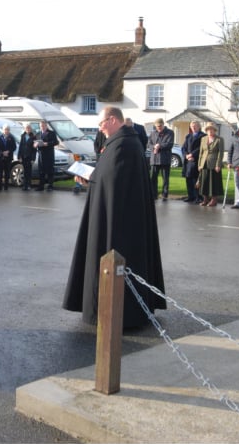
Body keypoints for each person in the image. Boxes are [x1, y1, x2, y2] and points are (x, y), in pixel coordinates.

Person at [63, 106, 166, 328]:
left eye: (100, 124)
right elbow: (107, 176)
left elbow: (112, 182)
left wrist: (93, 179)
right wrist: (92, 178)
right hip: (120, 215)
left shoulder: (124, 145)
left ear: (111, 120)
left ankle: (116, 310)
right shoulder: (121, 143)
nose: (100, 129)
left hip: (120, 224)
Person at [196, 122, 224, 206]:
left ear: (214, 130)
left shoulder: (219, 139)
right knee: (204, 181)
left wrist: (218, 164)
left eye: (212, 129)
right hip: (204, 163)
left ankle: (214, 200)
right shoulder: (203, 139)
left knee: (213, 182)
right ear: (206, 131)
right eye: (208, 129)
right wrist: (199, 164)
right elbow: (201, 152)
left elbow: (220, 153)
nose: (210, 131)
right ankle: (205, 199)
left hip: (214, 164)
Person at [147, 117, 174, 201]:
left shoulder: (170, 132)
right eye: (157, 126)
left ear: (163, 124)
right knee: (153, 178)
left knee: (165, 178)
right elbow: (148, 144)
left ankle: (164, 194)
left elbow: (169, 144)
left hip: (165, 159)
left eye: (160, 126)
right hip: (154, 159)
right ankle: (154, 194)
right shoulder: (152, 133)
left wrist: (160, 146)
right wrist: (154, 146)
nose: (159, 127)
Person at [181, 120, 205, 203]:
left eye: (195, 126)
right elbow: (183, 148)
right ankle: (190, 196)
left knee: (196, 179)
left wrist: (192, 155)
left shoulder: (203, 136)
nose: (193, 128)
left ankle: (198, 197)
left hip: (196, 160)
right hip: (188, 161)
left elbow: (201, 148)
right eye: (192, 126)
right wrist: (186, 155)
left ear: (199, 127)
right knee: (188, 179)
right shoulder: (188, 136)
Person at [34, 120, 58, 191]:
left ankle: (50, 186)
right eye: (41, 126)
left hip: (49, 155)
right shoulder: (38, 134)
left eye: (43, 126)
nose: (42, 127)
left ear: (46, 125)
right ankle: (41, 186)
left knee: (50, 171)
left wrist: (47, 144)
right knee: (41, 171)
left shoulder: (51, 133)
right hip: (41, 155)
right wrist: (35, 145)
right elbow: (35, 143)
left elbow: (56, 142)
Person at [0, 125, 17, 191]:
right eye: (5, 129)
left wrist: (8, 151)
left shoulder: (11, 138)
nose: (6, 131)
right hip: (0, 158)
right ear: (3, 130)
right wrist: (2, 152)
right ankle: (0, 187)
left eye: (7, 129)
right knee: (0, 173)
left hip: (8, 158)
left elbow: (14, 147)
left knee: (7, 173)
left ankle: (6, 187)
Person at [18, 123, 37, 191]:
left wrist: (33, 158)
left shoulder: (33, 137)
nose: (28, 129)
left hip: (29, 157)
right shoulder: (23, 136)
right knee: (24, 171)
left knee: (29, 172)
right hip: (23, 156)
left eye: (29, 128)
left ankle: (28, 185)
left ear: (31, 129)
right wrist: (19, 156)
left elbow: (34, 149)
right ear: (25, 129)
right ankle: (24, 185)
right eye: (26, 128)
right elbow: (20, 146)